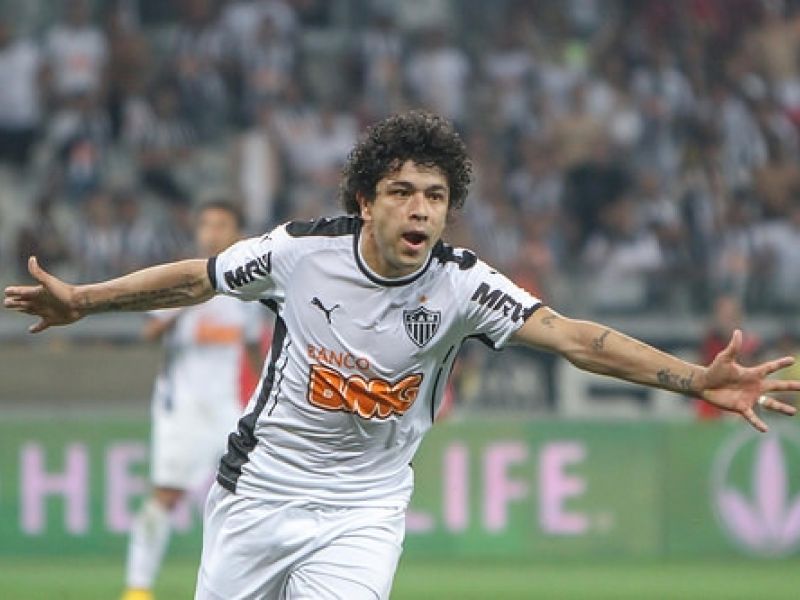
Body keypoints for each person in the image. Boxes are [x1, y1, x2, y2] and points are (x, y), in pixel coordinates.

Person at [4, 111, 798, 600]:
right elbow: (197, 278)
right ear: (366, 200)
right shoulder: (298, 253)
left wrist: (696, 379)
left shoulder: (464, 286)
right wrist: (84, 300)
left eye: (436, 197)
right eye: (402, 192)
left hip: (364, 509)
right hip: (259, 494)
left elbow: (574, 338)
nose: (421, 210)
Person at [121, 200, 264, 600]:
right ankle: (138, 588)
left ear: (237, 234)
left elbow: (253, 348)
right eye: (206, 225)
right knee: (166, 495)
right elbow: (149, 333)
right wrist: (186, 303)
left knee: (248, 497)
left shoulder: (249, 289)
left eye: (221, 224)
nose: (211, 233)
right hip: (182, 406)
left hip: (228, 409)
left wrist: (262, 398)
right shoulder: (182, 281)